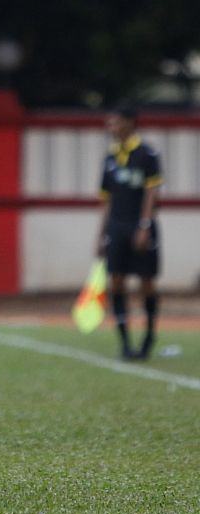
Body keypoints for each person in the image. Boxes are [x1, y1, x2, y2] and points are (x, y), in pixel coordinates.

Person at [97, 105, 162, 360]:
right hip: (116, 227)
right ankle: (124, 341)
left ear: (129, 123)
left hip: (140, 226)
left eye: (114, 123)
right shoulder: (110, 157)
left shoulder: (147, 154)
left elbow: (151, 191)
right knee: (116, 281)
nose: (110, 128)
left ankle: (148, 335)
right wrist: (102, 234)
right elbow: (107, 200)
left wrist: (144, 225)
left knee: (146, 282)